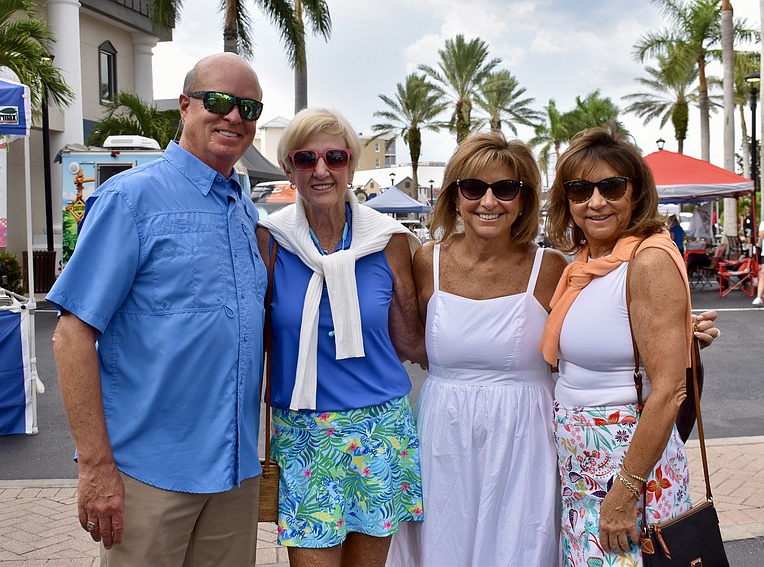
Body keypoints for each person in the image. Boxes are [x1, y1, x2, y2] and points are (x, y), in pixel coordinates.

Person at [48, 53, 267, 566]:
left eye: (249, 108)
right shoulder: (130, 200)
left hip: (233, 471)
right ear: (185, 106)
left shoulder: (243, 207)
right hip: (149, 474)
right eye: (218, 101)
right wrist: (96, 466)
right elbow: (71, 334)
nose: (234, 116)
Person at [387, 131, 567, 566]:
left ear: (524, 199)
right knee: (443, 544)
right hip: (443, 431)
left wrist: (679, 329)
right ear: (455, 195)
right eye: (474, 188)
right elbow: (399, 333)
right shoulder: (427, 261)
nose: (489, 201)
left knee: (519, 546)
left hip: (525, 435)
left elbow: (591, 337)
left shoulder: (551, 268)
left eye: (505, 188)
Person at [256, 107, 426, 567]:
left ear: (351, 164)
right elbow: (249, 338)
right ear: (289, 167)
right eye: (306, 158)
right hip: (305, 432)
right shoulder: (270, 241)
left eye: (335, 156)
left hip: (380, 431)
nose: (322, 170)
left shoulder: (388, 240)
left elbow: (412, 339)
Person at [540, 125, 698, 565]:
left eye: (611, 186)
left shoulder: (647, 260)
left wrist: (625, 492)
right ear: (566, 199)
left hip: (626, 466)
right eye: (580, 189)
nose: (595, 201)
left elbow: (669, 391)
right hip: (584, 468)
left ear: (636, 192)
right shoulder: (586, 265)